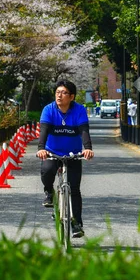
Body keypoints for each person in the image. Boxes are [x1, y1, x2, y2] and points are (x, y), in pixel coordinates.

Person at [37, 80, 94, 238]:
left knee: (74, 189)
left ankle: (76, 224)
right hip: (52, 152)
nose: (59, 95)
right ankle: (49, 192)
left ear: (72, 96)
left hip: (73, 154)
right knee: (47, 171)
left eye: (63, 93)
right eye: (57, 92)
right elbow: (44, 131)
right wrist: (41, 148)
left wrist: (87, 148)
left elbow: (84, 131)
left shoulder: (79, 110)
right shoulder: (48, 109)